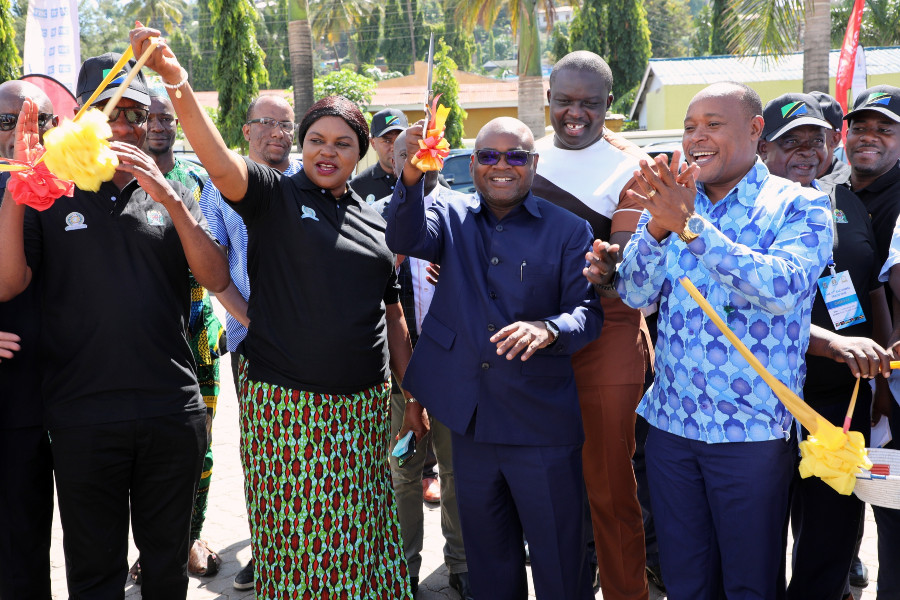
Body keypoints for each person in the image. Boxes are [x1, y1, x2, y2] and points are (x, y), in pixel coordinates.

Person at [132, 26, 427, 598]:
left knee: (364, 542)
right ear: (302, 145)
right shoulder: (275, 196)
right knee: (297, 549)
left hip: (364, 415)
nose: (327, 151)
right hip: (287, 410)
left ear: (360, 152)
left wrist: (411, 397)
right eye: (316, 138)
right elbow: (219, 164)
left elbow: (392, 316)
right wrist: (178, 83)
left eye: (343, 143)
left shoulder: (374, 222)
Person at [0, 53, 229, 599]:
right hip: (83, 417)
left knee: (166, 573)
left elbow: (217, 277)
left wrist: (171, 200)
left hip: (171, 411)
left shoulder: (173, 189)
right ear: (82, 114)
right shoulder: (49, 193)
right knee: (95, 576)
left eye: (136, 113)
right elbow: (9, 284)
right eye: (110, 110)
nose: (124, 124)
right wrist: (18, 192)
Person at [596, 82, 832, 599]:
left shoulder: (800, 206)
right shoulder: (673, 203)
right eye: (689, 126)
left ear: (754, 130)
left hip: (750, 435)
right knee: (685, 581)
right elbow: (635, 293)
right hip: (673, 430)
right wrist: (657, 231)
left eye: (712, 124)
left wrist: (689, 226)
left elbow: (782, 287)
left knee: (749, 583)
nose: (696, 136)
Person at [386, 116, 604, 599]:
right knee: (488, 564)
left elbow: (588, 315)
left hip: (541, 425)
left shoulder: (569, 230)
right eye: (487, 155)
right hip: (472, 421)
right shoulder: (450, 214)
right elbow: (402, 236)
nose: (500, 166)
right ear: (473, 162)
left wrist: (548, 328)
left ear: (534, 163)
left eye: (515, 156)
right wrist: (413, 174)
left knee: (560, 563)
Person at [757, 92, 891, 600]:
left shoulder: (845, 201)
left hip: (842, 403)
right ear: (762, 146)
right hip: (767, 405)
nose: (807, 151)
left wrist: (878, 384)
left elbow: (872, 288)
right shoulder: (750, 213)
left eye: (817, 139)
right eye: (791, 140)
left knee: (831, 535)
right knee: (761, 532)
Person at [532, 50, 652, 600]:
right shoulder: (522, 156)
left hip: (607, 338)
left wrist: (608, 267)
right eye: (565, 101)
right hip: (535, 342)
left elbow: (621, 267)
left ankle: (626, 591)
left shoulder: (632, 166)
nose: (574, 113)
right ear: (548, 100)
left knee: (610, 489)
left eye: (589, 103)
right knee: (548, 490)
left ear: (610, 104)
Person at [195, 92, 301, 591]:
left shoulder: (311, 179)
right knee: (263, 453)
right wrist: (256, 323)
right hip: (253, 342)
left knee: (312, 447)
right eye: (268, 123)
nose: (280, 132)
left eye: (287, 123)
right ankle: (271, 549)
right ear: (245, 131)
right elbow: (217, 272)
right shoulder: (219, 192)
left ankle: (311, 543)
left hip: (318, 341)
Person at [373, 129, 471, 599]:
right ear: (392, 158)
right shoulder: (375, 216)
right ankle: (400, 567)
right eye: (407, 151)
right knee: (403, 471)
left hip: (456, 368)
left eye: (426, 148)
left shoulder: (464, 212)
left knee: (456, 471)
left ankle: (462, 564)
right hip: (400, 368)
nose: (417, 157)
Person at [143, 88, 225, 580]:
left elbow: (220, 253)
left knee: (200, 445)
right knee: (143, 447)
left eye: (166, 117)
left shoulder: (196, 180)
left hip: (197, 338)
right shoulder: (116, 178)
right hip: (140, 334)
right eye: (148, 117)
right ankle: (152, 547)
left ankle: (192, 535)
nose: (158, 125)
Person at [0, 79, 57, 600]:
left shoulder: (70, 185)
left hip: (61, 401)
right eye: (7, 122)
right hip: (11, 400)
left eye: (36, 121)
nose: (22, 134)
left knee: (34, 551)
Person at [843, 84, 900, 600]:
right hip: (842, 382)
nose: (869, 137)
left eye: (885, 128)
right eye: (860, 126)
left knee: (895, 519)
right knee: (846, 506)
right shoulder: (831, 194)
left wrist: (887, 386)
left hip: (893, 391)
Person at [351, 108, 408, 204]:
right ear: (373, 143)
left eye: (400, 139)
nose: (394, 147)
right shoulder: (358, 187)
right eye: (387, 141)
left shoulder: (424, 179)